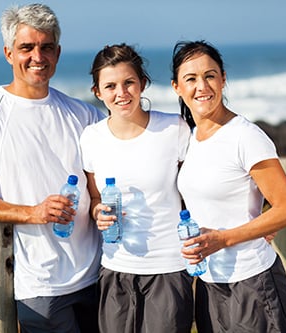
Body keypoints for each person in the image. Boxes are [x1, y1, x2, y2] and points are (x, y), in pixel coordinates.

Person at [0, 4, 105, 332]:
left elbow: (101, 186)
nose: (38, 56)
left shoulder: (85, 115)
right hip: (40, 287)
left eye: (46, 47)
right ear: (8, 53)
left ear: (58, 53)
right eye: (26, 48)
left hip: (97, 277)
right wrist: (33, 212)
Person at [171, 40, 286, 332]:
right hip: (209, 283)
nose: (202, 86)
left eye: (210, 75)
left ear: (223, 79)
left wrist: (224, 239)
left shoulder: (246, 137)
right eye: (190, 79)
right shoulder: (188, 139)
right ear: (176, 87)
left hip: (253, 282)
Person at [79, 43, 193, 333]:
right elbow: (94, 197)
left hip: (168, 268)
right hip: (115, 267)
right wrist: (97, 212)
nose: (121, 93)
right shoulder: (91, 138)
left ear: (142, 84)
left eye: (129, 82)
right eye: (111, 86)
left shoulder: (174, 129)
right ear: (97, 92)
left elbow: (197, 189)